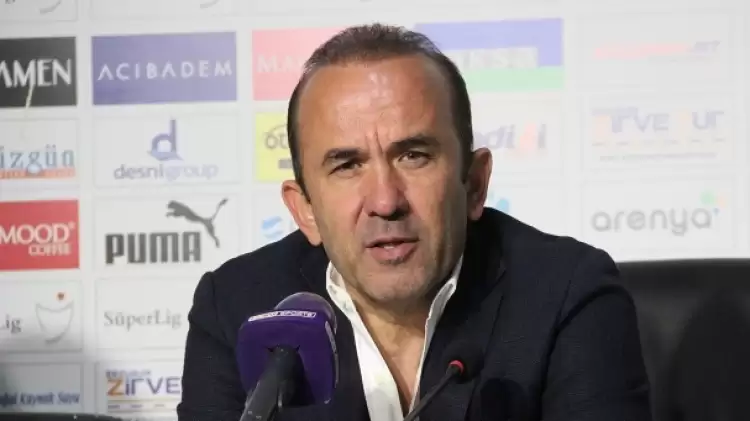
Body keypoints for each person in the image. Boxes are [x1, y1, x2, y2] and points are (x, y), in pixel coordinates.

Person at [177, 23, 651, 421]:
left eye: (414, 155)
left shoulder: (566, 294)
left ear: (474, 183)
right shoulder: (236, 309)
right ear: (305, 210)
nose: (386, 201)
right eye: (347, 165)